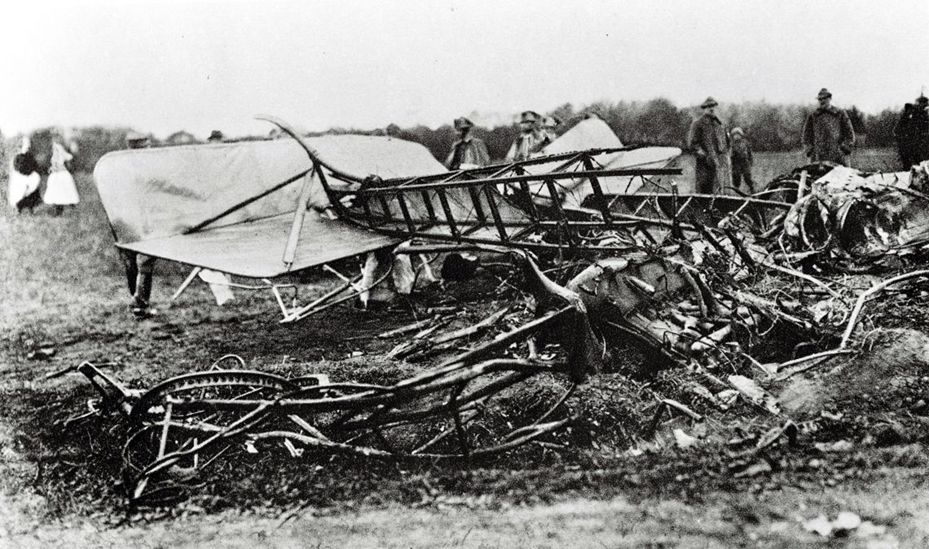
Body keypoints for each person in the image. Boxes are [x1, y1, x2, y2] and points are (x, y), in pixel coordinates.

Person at [123, 131, 157, 318]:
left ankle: (138, 300)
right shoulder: (142, 167)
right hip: (138, 218)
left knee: (134, 261)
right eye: (146, 145)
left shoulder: (122, 165)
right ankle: (140, 301)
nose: (149, 148)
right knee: (143, 261)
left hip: (125, 219)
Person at [687, 97, 731, 194]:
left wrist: (724, 158)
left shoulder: (720, 125)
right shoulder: (698, 124)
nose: (711, 109)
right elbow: (693, 144)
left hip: (721, 165)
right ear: (704, 109)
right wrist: (705, 156)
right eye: (708, 107)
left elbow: (727, 144)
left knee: (722, 192)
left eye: (713, 106)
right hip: (705, 166)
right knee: (705, 192)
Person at [802, 88, 855, 166]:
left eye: (824, 98)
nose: (822, 101)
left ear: (830, 98)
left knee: (842, 177)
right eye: (820, 99)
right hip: (818, 158)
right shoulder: (813, 116)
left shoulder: (840, 113)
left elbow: (849, 133)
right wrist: (810, 150)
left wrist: (844, 149)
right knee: (817, 177)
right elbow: (806, 135)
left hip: (838, 157)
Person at [43, 138, 80, 215]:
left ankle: (66, 205)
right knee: (56, 191)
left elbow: (69, 157)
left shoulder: (60, 154)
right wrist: (52, 168)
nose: (54, 148)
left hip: (61, 174)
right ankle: (58, 207)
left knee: (64, 190)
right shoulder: (54, 155)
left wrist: (62, 152)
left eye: (56, 146)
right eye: (53, 146)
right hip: (55, 175)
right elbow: (54, 165)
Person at [7, 137, 42, 214]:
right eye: (26, 145)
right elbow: (17, 167)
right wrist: (24, 174)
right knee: (19, 188)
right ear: (21, 146)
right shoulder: (18, 157)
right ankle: (18, 208)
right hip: (21, 176)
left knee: (33, 186)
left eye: (28, 145)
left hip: (29, 176)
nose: (27, 147)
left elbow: (35, 166)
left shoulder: (30, 156)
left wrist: (32, 173)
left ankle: (31, 208)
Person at [894, 95, 929, 169]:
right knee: (911, 161)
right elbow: (897, 131)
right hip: (909, 144)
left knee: (916, 161)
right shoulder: (906, 119)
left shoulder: (916, 116)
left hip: (914, 144)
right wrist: (904, 138)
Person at [729, 127, 756, 193]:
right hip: (736, 163)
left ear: (741, 135)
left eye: (738, 135)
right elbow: (731, 154)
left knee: (747, 176)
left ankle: (752, 188)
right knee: (736, 176)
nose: (736, 137)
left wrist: (751, 161)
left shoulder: (745, 143)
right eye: (735, 135)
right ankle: (736, 189)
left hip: (745, 162)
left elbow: (749, 153)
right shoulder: (732, 144)